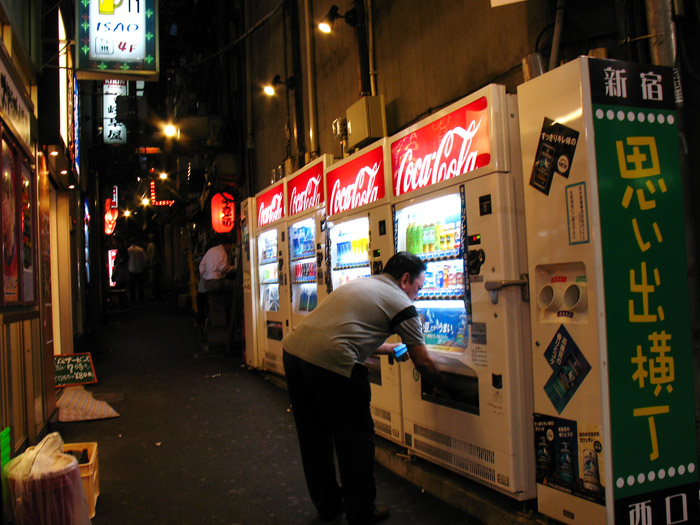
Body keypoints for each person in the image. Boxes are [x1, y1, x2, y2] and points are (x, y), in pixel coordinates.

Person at [282, 251, 449, 524]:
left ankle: (329, 505)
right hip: (332, 363)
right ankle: (361, 512)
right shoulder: (401, 303)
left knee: (314, 437)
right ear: (405, 279)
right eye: (418, 288)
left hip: (294, 353)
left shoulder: (362, 283)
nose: (417, 296)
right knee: (355, 440)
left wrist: (388, 348)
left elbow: (350, 332)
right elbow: (424, 361)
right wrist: (445, 388)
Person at [145, 234, 162, 299]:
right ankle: (156, 294)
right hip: (155, 264)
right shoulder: (153, 245)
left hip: (154, 264)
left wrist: (151, 263)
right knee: (155, 280)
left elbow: (152, 255)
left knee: (154, 280)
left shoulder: (151, 246)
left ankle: (155, 294)